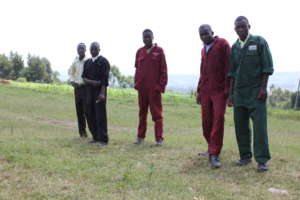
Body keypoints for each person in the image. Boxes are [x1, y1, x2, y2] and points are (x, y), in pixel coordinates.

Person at [228, 16, 274, 172]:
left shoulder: (259, 42)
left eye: (243, 26)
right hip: (239, 93)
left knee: (260, 127)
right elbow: (232, 73)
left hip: (256, 92)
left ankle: (262, 160)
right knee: (240, 126)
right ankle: (245, 156)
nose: (241, 29)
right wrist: (230, 94)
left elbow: (267, 67)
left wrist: (263, 88)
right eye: (237, 27)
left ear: (249, 26)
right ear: (235, 29)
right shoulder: (234, 48)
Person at [196, 24, 230, 168]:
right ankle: (211, 147)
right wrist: (199, 91)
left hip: (219, 91)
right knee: (206, 122)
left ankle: (214, 153)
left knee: (218, 120)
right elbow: (202, 72)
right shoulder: (203, 49)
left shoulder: (222, 44)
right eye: (201, 35)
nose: (204, 36)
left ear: (212, 32)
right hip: (205, 91)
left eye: (206, 33)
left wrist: (229, 91)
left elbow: (229, 68)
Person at [134, 29, 168, 145]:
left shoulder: (159, 51)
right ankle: (140, 137)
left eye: (148, 37)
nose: (146, 39)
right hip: (142, 89)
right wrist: (136, 83)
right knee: (142, 113)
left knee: (157, 114)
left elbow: (164, 70)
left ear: (153, 37)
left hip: (154, 89)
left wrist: (160, 86)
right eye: (144, 37)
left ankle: (159, 138)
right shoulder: (139, 52)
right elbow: (137, 69)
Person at [82, 42, 110, 147]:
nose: (93, 51)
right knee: (89, 113)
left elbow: (104, 80)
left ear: (99, 49)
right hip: (89, 92)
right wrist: (94, 82)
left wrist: (102, 93)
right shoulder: (87, 62)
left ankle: (103, 139)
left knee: (100, 115)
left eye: (95, 49)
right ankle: (95, 136)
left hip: (100, 93)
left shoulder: (103, 62)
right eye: (91, 49)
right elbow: (83, 78)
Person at [68, 43, 88, 138]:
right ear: (77, 50)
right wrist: (72, 81)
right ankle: (82, 133)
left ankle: (93, 132)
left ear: (85, 50)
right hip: (77, 89)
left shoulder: (87, 61)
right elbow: (70, 72)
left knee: (87, 111)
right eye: (79, 48)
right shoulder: (75, 61)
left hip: (86, 88)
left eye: (82, 48)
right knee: (79, 111)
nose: (80, 50)